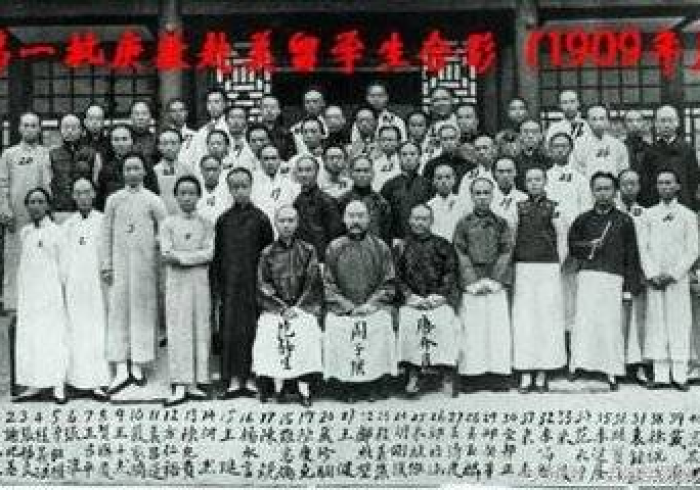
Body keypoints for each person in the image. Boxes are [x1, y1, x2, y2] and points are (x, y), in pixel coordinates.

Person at [567, 172, 643, 391]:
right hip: (588, 276)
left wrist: (630, 286)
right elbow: (573, 246)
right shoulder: (582, 219)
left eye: (607, 189)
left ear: (615, 191)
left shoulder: (624, 221)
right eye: (598, 189)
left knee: (610, 325)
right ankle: (578, 364)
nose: (603, 193)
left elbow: (631, 255)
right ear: (592, 192)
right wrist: (589, 245)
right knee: (585, 322)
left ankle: (611, 369)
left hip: (613, 277)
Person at [101, 152, 167, 395]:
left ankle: (138, 364)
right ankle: (120, 367)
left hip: (144, 268)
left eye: (136, 168)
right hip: (119, 266)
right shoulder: (113, 200)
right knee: (118, 315)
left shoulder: (153, 200)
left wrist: (156, 245)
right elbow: (105, 233)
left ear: (144, 172)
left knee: (142, 315)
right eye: (127, 169)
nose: (132, 173)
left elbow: (165, 229)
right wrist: (106, 264)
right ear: (122, 173)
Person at [323, 200, 397, 402]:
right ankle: (347, 384)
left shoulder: (380, 247)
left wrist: (370, 305)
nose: (355, 220)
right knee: (336, 327)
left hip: (372, 308)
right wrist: (348, 307)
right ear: (344, 219)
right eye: (351, 216)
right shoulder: (334, 247)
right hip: (344, 309)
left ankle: (373, 382)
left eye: (360, 216)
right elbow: (328, 284)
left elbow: (388, 282)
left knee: (381, 324)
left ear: (369, 219)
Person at [253, 206, 324, 407]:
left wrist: (298, 308)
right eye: (282, 220)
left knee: (306, 329)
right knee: (269, 330)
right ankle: (278, 385)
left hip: (302, 307)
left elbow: (312, 283)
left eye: (291, 220)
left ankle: (304, 387)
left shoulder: (308, 250)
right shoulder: (267, 253)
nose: (286, 225)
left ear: (297, 223)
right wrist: (281, 308)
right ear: (276, 223)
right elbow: (263, 285)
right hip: (276, 309)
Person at [213, 167, 274, 398]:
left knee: (252, 330)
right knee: (230, 331)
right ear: (229, 189)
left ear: (251, 187)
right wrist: (218, 287)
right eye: (235, 187)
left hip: (253, 285)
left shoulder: (261, 219)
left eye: (244, 186)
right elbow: (218, 256)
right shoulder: (223, 220)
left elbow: (268, 254)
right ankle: (234, 379)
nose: (240, 191)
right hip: (230, 286)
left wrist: (265, 284)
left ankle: (250, 378)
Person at [639, 170, 699, 390]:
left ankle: (680, 374)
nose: (664, 187)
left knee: (679, 322)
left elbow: (693, 249)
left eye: (669, 183)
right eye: (661, 183)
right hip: (655, 279)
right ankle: (661, 374)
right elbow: (643, 247)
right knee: (657, 323)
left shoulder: (687, 215)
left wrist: (673, 274)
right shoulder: (648, 215)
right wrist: (652, 273)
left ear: (678, 186)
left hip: (677, 280)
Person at [512, 167, 567, 393]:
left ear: (545, 181)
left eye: (538, 179)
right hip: (524, 268)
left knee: (546, 318)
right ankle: (526, 372)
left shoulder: (555, 207)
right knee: (525, 319)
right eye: (530, 180)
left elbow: (562, 237)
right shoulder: (518, 208)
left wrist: (557, 264)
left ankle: (543, 371)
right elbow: (513, 237)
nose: (534, 183)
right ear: (525, 183)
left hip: (548, 269)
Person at [453, 178, 513, 388]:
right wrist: (472, 280)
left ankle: (497, 375)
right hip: (473, 282)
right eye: (477, 193)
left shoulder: (501, 223)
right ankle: (472, 375)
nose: (482, 197)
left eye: (486, 193)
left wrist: (495, 280)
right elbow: (460, 251)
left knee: (496, 328)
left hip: (495, 281)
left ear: (492, 195)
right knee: (473, 328)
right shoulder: (463, 223)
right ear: (471, 196)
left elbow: (506, 250)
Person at [160, 175, 214, 406]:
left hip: (199, 283)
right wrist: (191, 257)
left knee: (199, 329)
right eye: (182, 193)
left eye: (192, 193)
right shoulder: (168, 224)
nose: (187, 198)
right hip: (177, 284)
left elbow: (209, 253)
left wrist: (181, 258)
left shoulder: (206, 223)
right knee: (179, 329)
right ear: (176, 196)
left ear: (199, 196)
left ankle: (196, 382)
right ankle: (180, 383)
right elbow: (166, 254)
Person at [396, 204, 460, 397]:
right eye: (416, 218)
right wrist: (409, 296)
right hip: (412, 302)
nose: (419, 223)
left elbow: (450, 272)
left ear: (431, 221)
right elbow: (396, 277)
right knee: (408, 322)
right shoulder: (401, 247)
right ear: (410, 221)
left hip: (437, 301)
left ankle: (446, 374)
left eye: (424, 219)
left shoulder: (443, 245)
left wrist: (439, 296)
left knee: (445, 322)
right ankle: (413, 373)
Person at [13, 188, 68, 404]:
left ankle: (58, 385)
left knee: (52, 337)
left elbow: (64, 267)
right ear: (27, 206)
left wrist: (59, 293)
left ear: (47, 205)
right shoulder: (25, 232)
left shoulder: (57, 232)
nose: (36, 206)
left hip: (50, 295)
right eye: (32, 202)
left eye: (40, 201)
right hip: (29, 296)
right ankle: (33, 384)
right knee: (30, 338)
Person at [62, 178, 110, 401]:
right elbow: (64, 260)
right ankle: (75, 380)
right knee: (76, 331)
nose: (83, 197)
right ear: (73, 196)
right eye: (78, 192)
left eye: (86, 192)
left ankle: (98, 382)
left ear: (94, 194)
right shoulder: (68, 225)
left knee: (97, 331)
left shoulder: (103, 221)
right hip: (75, 287)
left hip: (98, 287)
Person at [0, 112, 52, 311]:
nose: (30, 129)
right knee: (15, 259)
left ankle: (38, 303)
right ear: (20, 128)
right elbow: (3, 184)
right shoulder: (9, 154)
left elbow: (48, 184)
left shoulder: (46, 153)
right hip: (17, 215)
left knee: (40, 257)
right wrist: (5, 209)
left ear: (39, 129)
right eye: (26, 125)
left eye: (33, 125)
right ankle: (13, 304)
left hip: (41, 214)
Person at [546, 132, 592, 334]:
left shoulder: (580, 179)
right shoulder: (545, 177)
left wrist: (577, 245)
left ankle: (571, 332)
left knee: (572, 289)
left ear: (571, 149)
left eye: (564, 146)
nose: (560, 150)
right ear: (550, 150)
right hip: (549, 241)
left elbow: (586, 213)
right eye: (556, 146)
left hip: (573, 240)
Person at [616, 169, 650, 384]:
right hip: (616, 270)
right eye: (625, 184)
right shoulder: (612, 211)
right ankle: (616, 365)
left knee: (638, 319)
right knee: (617, 318)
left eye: (633, 183)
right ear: (618, 187)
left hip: (637, 271)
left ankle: (638, 366)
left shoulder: (646, 213)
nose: (629, 188)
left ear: (639, 187)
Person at [639, 105, 700, 210]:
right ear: (656, 124)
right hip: (656, 202)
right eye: (662, 121)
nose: (666, 125)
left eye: (670, 121)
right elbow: (646, 181)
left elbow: (693, 180)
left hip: (682, 201)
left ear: (677, 123)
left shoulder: (687, 149)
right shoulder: (650, 151)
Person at [49, 114, 102, 222]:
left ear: (81, 130)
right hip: (61, 210)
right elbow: (48, 185)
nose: (70, 131)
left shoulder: (92, 154)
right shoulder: (51, 155)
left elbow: (96, 183)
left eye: (74, 128)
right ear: (60, 130)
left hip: (86, 211)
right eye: (66, 127)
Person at [96, 124, 159, 210]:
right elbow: (101, 200)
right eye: (116, 140)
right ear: (111, 143)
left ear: (132, 141)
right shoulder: (106, 170)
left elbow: (154, 194)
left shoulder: (145, 165)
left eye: (124, 139)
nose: (120, 143)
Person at [293, 155, 343, 261]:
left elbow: (335, 238)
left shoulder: (327, 201)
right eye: (300, 170)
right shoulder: (296, 201)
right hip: (301, 258)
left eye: (308, 170)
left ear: (316, 172)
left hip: (321, 260)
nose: (304, 174)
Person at [381, 141, 434, 242]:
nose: (408, 158)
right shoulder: (389, 186)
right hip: (397, 241)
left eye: (413, 154)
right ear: (399, 158)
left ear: (419, 157)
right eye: (404, 154)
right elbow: (384, 217)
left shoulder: (428, 186)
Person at [337, 155, 392, 243]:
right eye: (358, 170)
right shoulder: (342, 202)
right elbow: (337, 234)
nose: (362, 175)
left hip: (375, 249)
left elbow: (386, 234)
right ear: (350, 173)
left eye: (366, 171)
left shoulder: (382, 203)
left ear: (372, 174)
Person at [570, 105, 629, 181]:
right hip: (587, 185)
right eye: (594, 119)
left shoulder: (618, 145)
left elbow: (623, 169)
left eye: (602, 118)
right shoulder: (578, 144)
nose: (598, 123)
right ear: (588, 121)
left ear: (607, 121)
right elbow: (575, 169)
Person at [251, 145, 300, 228]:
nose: (270, 162)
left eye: (273, 158)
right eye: (266, 159)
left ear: (280, 160)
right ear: (260, 161)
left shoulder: (290, 183)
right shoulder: (252, 182)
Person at [422, 124, 475, 191]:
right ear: (440, 141)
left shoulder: (469, 166)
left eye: (452, 138)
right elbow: (426, 190)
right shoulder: (431, 165)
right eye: (445, 139)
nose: (449, 142)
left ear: (458, 140)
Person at [427, 164, 469, 241]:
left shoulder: (464, 204)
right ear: (434, 181)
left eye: (448, 177)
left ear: (454, 180)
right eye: (439, 178)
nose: (443, 181)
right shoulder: (429, 206)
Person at [153, 128, 190, 216]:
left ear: (180, 145)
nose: (169, 148)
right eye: (165, 143)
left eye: (173, 143)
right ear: (159, 146)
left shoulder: (188, 171)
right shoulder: (153, 172)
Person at [489, 157, 527, 233]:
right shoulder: (487, 199)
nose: (505, 175)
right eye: (501, 171)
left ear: (516, 172)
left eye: (509, 171)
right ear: (494, 174)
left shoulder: (524, 199)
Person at [514, 119, 549, 191]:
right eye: (526, 132)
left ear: (541, 135)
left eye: (535, 132)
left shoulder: (549, 161)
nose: (530, 136)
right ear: (519, 136)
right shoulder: (513, 161)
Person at [196, 155, 232, 225]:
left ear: (220, 170)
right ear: (201, 170)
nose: (211, 173)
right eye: (207, 170)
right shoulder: (194, 190)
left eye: (214, 170)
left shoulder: (229, 191)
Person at [259, 95, 295, 160]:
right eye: (265, 107)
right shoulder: (254, 132)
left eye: (273, 107)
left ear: (279, 111)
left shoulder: (286, 134)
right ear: (260, 111)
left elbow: (291, 158)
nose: (269, 110)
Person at [371, 126, 402, 192]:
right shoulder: (372, 161)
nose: (387, 143)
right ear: (378, 141)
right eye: (383, 140)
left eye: (390, 140)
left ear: (398, 142)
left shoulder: (403, 160)